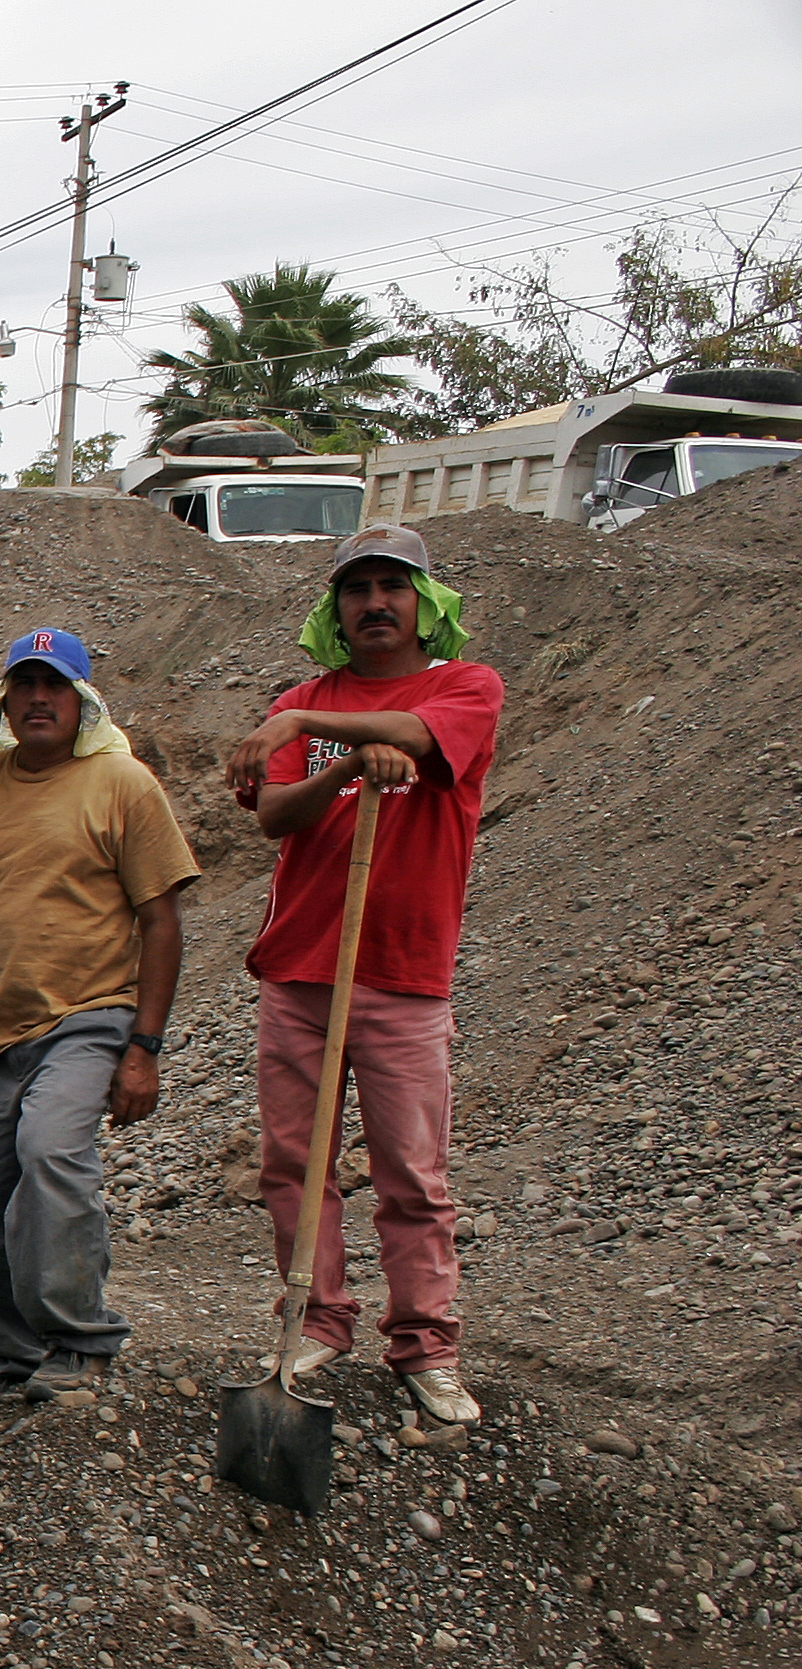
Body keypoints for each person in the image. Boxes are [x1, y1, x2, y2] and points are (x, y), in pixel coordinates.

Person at [223, 523, 504, 1426]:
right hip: (299, 966)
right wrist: (344, 760)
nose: (375, 603)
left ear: (427, 604)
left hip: (404, 971)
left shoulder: (466, 686)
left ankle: (426, 1344)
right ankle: (316, 1319)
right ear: (335, 610)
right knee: (294, 1162)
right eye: (357, 589)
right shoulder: (303, 699)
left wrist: (309, 726)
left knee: (411, 1172)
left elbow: (421, 735)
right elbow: (274, 815)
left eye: (393, 587)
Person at [0, 628, 201, 1404]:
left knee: (51, 1155)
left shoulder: (123, 784)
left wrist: (145, 1048)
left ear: (82, 700)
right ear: (3, 703)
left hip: (91, 1015)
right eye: (24, 686)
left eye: (55, 686)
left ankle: (80, 1340)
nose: (39, 699)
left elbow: (161, 920)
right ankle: (14, 1354)